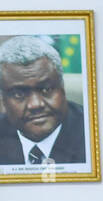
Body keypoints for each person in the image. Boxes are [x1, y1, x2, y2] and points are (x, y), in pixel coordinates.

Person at [0, 35, 86, 166]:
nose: (35, 104)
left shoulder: (92, 131)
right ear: (3, 99)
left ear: (62, 87)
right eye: (18, 94)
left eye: (46, 89)